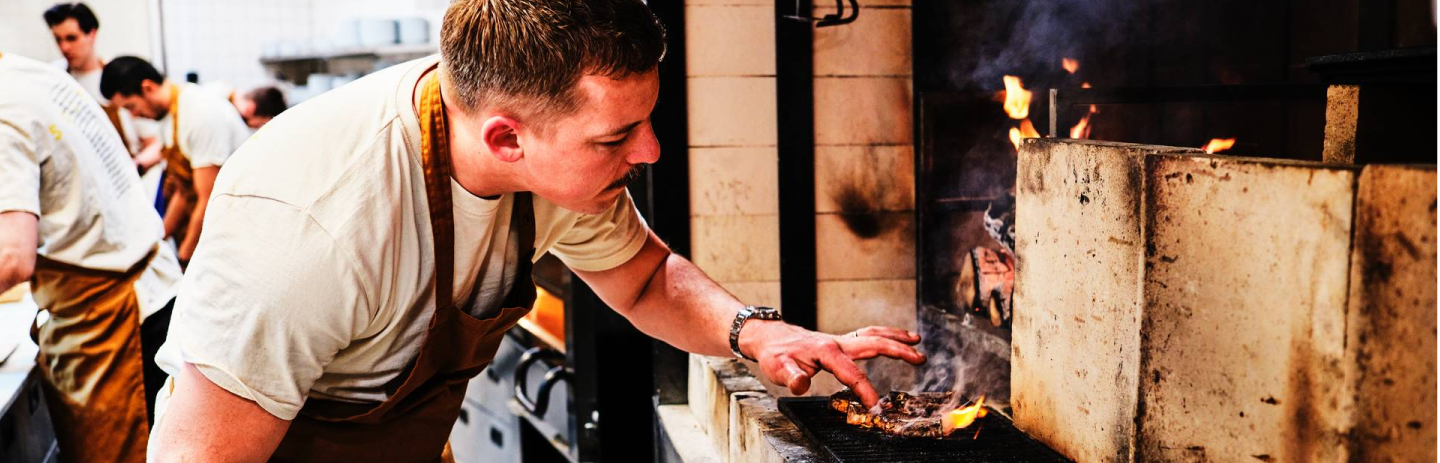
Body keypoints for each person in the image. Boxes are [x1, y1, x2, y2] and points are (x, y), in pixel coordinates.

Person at [146, 1, 926, 461]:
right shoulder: (315, 226)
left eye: (645, 122)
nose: (649, 151)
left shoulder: (552, 166)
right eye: (616, 137)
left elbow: (644, 277)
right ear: (507, 140)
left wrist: (760, 334)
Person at [0, 51, 183, 463]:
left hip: (117, 320)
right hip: (153, 289)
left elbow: (12, 257)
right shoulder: (31, 73)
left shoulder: (3, 113)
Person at [101, 56, 249, 265]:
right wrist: (157, 243)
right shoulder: (169, 116)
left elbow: (208, 199)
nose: (134, 115)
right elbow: (183, 189)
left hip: (237, 229)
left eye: (131, 106)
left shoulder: (200, 114)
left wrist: (185, 257)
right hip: (211, 225)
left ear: (147, 87)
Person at [43, 2, 163, 173]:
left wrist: (134, 168)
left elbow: (154, 143)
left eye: (71, 38)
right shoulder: (52, 79)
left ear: (92, 34)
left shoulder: (121, 77)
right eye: (58, 39)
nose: (65, 48)